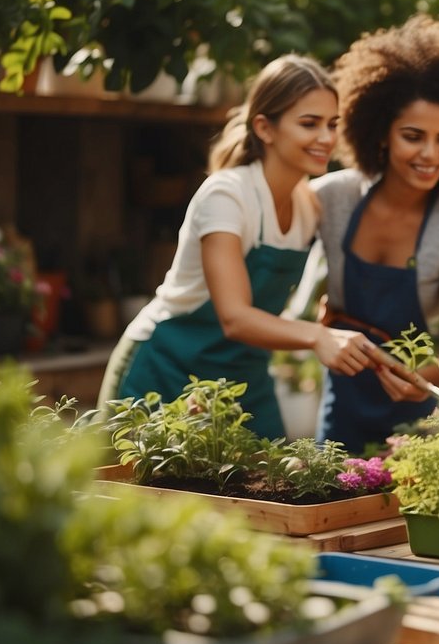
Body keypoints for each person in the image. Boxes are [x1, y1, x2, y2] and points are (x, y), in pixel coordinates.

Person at [101, 54, 372, 438]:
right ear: (265, 127)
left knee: (269, 491)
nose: (327, 138)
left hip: (245, 380)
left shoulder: (307, 206)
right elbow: (235, 317)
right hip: (165, 368)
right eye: (309, 124)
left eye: (332, 124)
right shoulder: (228, 196)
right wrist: (315, 336)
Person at [311, 15, 439, 452]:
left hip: (416, 428)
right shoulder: (332, 199)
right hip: (339, 416)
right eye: (413, 137)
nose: (431, 154)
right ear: (381, 135)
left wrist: (422, 379)